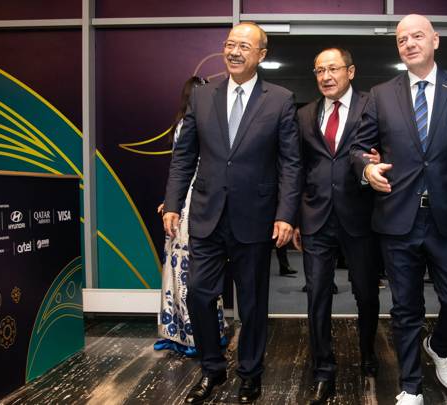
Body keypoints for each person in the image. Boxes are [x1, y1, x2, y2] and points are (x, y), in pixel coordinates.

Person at [351, 14, 447, 405]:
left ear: (435, 40)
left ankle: (440, 346)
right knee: (406, 307)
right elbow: (356, 149)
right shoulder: (381, 95)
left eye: (418, 36)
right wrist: (366, 168)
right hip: (398, 217)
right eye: (402, 39)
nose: (410, 43)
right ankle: (411, 386)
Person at [162, 23, 301, 404]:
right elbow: (184, 156)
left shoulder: (281, 99)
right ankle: (212, 369)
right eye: (229, 44)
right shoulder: (203, 96)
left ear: (261, 53)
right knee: (199, 296)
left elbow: (291, 163)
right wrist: (173, 203)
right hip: (207, 214)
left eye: (244, 45)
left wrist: (286, 213)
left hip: (255, 217)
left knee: (253, 303)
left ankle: (251, 374)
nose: (235, 51)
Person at [292, 47, 380, 404]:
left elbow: (385, 150)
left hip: (360, 216)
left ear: (351, 71)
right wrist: (296, 217)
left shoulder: (371, 106)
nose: (326, 76)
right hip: (315, 216)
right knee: (317, 294)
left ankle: (368, 352)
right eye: (319, 70)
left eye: (333, 69)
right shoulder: (304, 115)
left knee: (366, 293)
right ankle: (323, 369)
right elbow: (297, 168)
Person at [155, 76, 228, 357]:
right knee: (188, 271)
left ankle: (196, 333)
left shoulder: (184, 124)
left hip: (195, 202)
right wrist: (172, 202)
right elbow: (181, 166)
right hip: (192, 204)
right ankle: (194, 334)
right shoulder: (189, 125)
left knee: (193, 271)